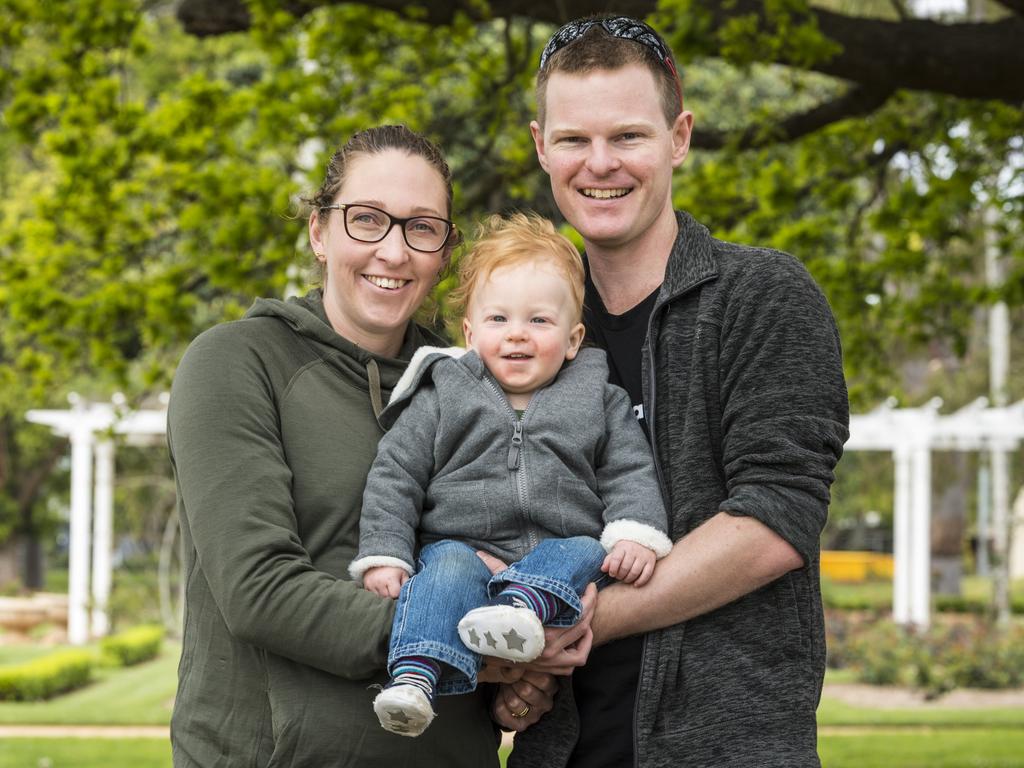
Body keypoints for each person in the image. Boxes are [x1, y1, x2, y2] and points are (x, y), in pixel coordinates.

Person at [505, 16, 851, 768]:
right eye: (573, 140)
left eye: (627, 135)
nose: (600, 164)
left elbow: (775, 521)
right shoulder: (523, 329)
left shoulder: (762, 296)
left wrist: (573, 621)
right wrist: (506, 668)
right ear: (541, 147)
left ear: (679, 137)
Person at [166, 125, 554, 767]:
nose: (394, 252)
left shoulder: (475, 384)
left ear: (443, 251)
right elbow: (257, 589)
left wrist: (524, 677)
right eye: (367, 220)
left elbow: (505, 549)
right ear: (320, 232)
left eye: (422, 228)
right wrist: (463, 647)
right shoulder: (238, 362)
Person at [348, 212, 671, 738]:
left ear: (573, 338)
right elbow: (395, 473)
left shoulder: (599, 398)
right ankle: (413, 678)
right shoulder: (442, 395)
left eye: (539, 321)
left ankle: (522, 607)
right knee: (443, 574)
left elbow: (630, 470)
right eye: (499, 320)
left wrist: (635, 532)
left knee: (589, 549)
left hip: (558, 552)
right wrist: (385, 551)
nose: (517, 334)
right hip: (463, 544)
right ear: (472, 333)